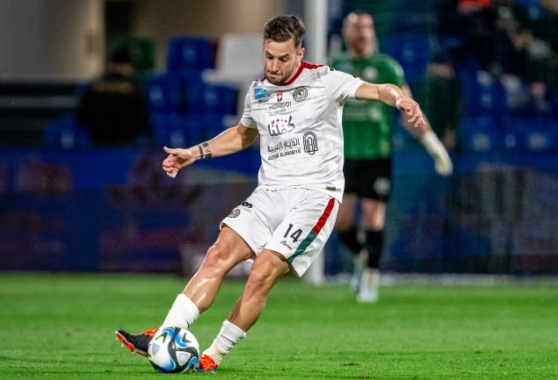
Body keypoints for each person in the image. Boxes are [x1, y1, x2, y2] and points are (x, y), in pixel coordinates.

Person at [115, 14, 431, 373]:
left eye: (283, 58)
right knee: (218, 254)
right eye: (269, 57)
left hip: (315, 196)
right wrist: (194, 152)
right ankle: (167, 335)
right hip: (270, 194)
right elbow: (241, 135)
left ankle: (211, 357)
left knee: (262, 271)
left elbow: (378, 89)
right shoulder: (259, 91)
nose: (275, 66)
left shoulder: (325, 80)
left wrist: (402, 100)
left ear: (300, 53)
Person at [328, 12, 453, 303]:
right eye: (355, 29)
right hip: (342, 157)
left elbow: (409, 110)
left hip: (376, 155)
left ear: (373, 33)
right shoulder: (335, 68)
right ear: (346, 34)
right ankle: (363, 257)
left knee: (373, 217)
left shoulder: (386, 67)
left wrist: (432, 144)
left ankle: (371, 276)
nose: (361, 34)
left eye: (366, 28)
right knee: (341, 221)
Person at [76, 46, 151, 146]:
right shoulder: (134, 87)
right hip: (126, 142)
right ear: (127, 65)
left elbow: (83, 116)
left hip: (97, 142)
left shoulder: (94, 85)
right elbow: (142, 117)